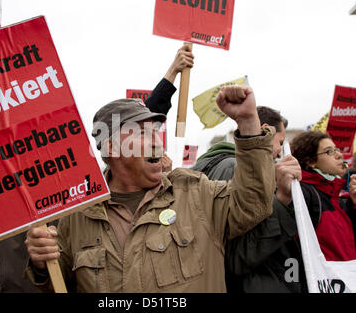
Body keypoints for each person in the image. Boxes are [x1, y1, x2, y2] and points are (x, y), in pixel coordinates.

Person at [25, 84, 276, 292]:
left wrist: (248, 121)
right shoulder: (78, 214)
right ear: (112, 148)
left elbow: (254, 203)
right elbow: (60, 287)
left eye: (156, 131)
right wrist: (41, 264)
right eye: (142, 133)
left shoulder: (194, 192)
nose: (156, 141)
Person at [190, 106, 306, 293]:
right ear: (266, 131)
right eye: (281, 142)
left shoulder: (222, 165)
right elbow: (238, 255)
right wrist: (282, 200)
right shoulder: (234, 169)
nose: (280, 153)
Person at [290, 131, 356, 261]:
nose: (339, 155)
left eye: (336, 149)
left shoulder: (336, 196)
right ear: (311, 161)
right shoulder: (303, 193)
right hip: (320, 279)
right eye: (329, 152)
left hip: (344, 277)